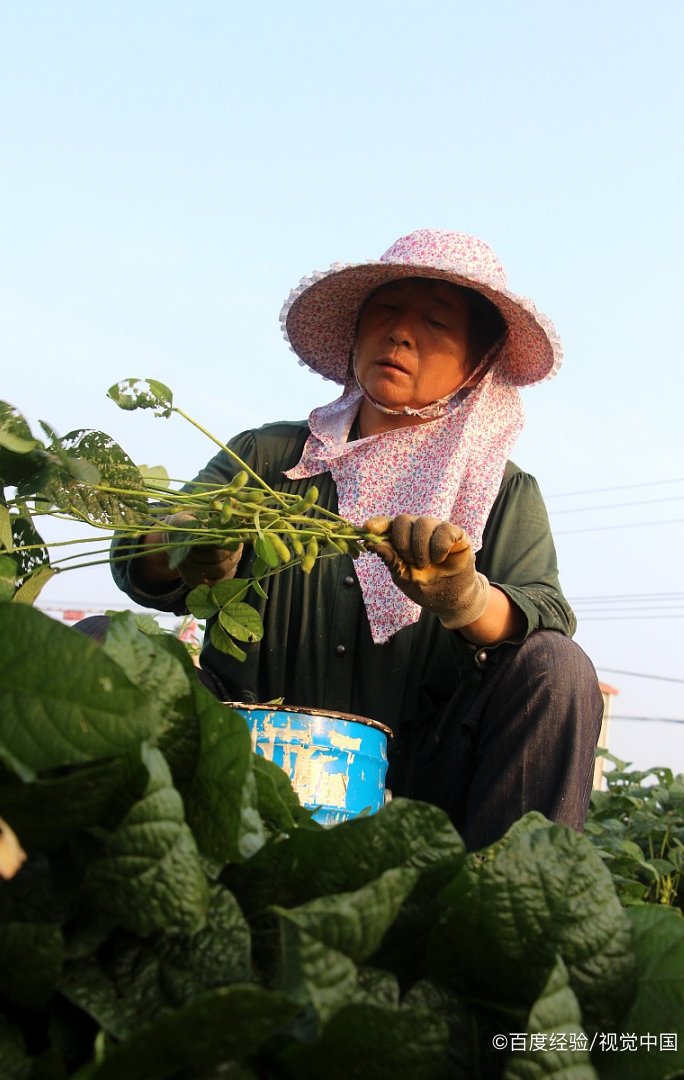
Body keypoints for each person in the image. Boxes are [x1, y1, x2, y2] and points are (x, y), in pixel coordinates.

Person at [112, 229, 603, 850]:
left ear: (477, 365)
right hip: (241, 748)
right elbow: (136, 558)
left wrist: (467, 600)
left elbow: (546, 612)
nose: (400, 334)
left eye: (436, 323)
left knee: (558, 667)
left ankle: (504, 892)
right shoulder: (269, 456)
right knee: (109, 649)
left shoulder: (501, 491)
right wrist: (186, 543)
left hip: (423, 784)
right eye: (387, 310)